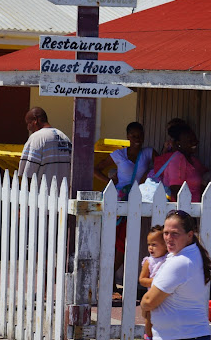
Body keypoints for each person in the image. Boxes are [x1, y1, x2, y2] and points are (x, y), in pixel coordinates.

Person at [93, 122, 156, 303]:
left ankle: (108, 279)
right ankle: (108, 282)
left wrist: (148, 176)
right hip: (117, 200)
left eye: (140, 136)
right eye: (134, 136)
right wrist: (109, 182)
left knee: (122, 243)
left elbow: (161, 164)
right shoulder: (119, 154)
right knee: (111, 241)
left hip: (136, 201)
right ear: (128, 136)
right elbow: (95, 168)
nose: (137, 139)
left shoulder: (148, 153)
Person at [140, 210, 211, 340]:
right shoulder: (191, 253)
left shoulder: (180, 262)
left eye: (175, 234)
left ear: (189, 235)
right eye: (166, 233)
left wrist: (143, 307)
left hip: (182, 335)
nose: (168, 238)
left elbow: (149, 301)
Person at [17, 107, 72, 182]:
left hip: (43, 191)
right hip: (64, 191)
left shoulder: (36, 138)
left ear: (35, 120)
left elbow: (28, 173)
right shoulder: (64, 137)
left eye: (29, 123)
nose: (28, 128)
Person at [162, 124, 207, 202]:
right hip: (183, 210)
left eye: (195, 139)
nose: (195, 143)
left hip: (195, 210)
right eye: (190, 140)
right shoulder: (177, 159)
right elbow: (176, 191)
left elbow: (207, 174)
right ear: (179, 143)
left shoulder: (193, 161)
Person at [139, 225, 168, 340]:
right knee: (149, 317)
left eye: (154, 244)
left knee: (164, 318)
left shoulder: (169, 258)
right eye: (149, 244)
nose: (150, 248)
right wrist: (157, 282)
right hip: (152, 295)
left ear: (165, 245)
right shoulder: (149, 261)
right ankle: (149, 336)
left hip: (165, 296)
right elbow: (142, 280)